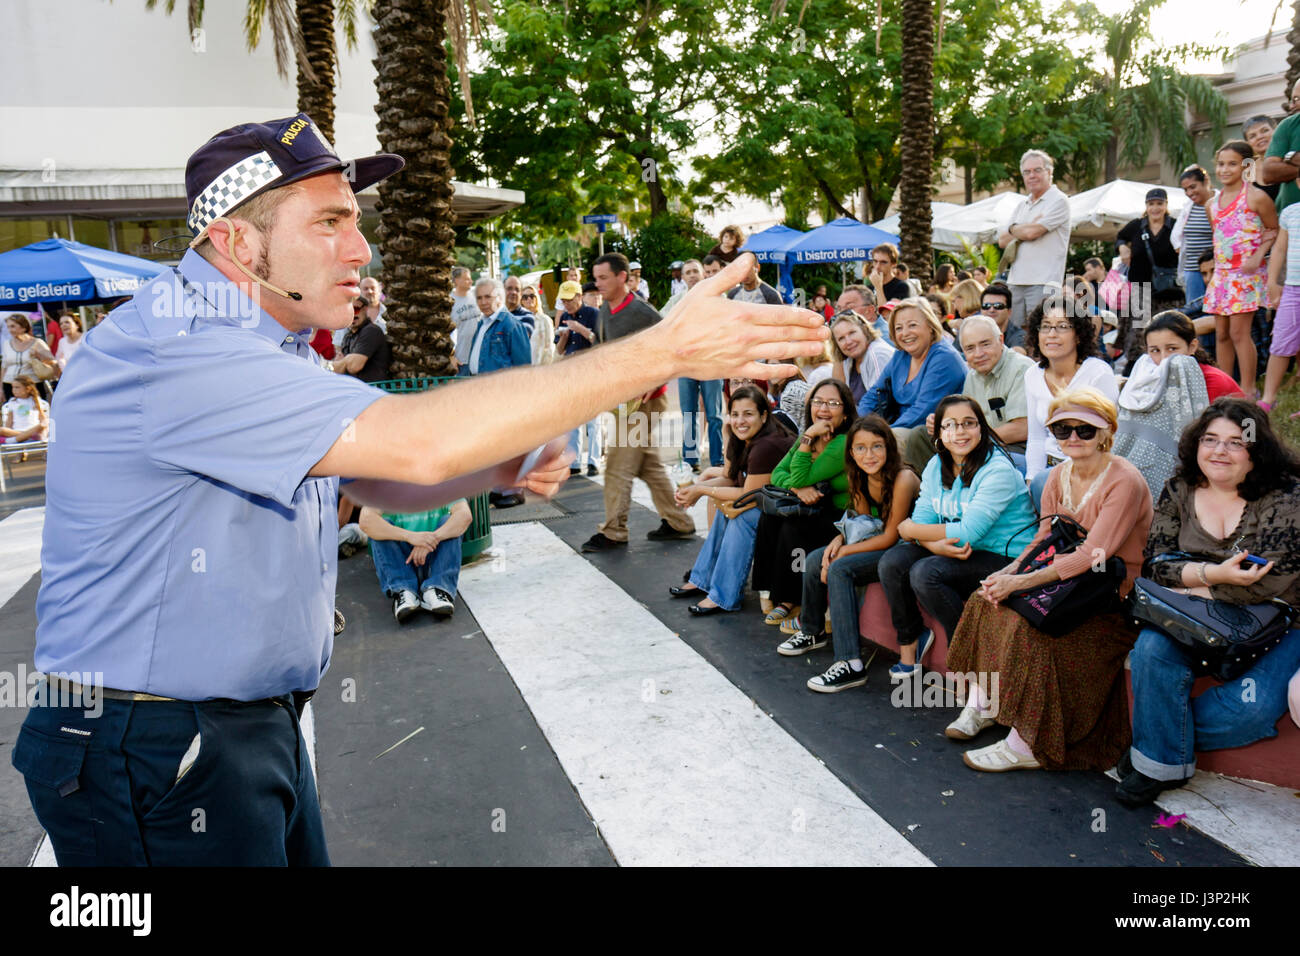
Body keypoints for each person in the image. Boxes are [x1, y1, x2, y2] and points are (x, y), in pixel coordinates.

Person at [12, 112, 831, 867]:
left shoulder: (259, 339)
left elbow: (365, 474)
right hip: (154, 738)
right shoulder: (182, 350)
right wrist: (663, 350)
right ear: (238, 243)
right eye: (330, 222)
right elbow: (417, 439)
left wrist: (498, 467)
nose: (360, 248)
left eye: (355, 220)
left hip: (228, 725)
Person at [946, 389, 1153, 772]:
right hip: (1064, 582)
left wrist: (1021, 583)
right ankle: (986, 702)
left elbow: (1094, 554)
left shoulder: (1124, 480)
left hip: (1107, 594)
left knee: (1034, 633)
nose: (1072, 437)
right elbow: (1043, 538)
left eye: (1084, 430)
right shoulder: (1057, 475)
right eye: (1062, 429)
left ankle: (1024, 745)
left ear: (1107, 432)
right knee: (983, 599)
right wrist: (1006, 574)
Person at [1118, 398, 1300, 806]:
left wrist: (1191, 582)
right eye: (1211, 439)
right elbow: (1155, 565)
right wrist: (1213, 576)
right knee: (1151, 649)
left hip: (1280, 619)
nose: (1220, 451)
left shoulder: (1286, 497)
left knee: (1248, 711)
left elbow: (1269, 583)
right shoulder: (1180, 487)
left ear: (1258, 451)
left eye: (1236, 442)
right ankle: (1158, 765)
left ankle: (1154, 745)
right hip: (1196, 613)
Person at [879, 396, 1038, 680]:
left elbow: (968, 532)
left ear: (982, 428)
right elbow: (925, 519)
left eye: (969, 423)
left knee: (926, 573)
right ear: (939, 434)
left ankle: (965, 656)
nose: (960, 432)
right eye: (949, 425)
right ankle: (911, 642)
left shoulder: (997, 469)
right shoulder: (934, 467)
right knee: (893, 562)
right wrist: (931, 542)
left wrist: (911, 532)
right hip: (960, 547)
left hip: (1005, 554)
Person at [777, 416, 921, 692]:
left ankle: (850, 663)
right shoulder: (859, 476)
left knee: (838, 568)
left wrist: (842, 552)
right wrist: (838, 540)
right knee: (814, 558)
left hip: (906, 548)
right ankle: (811, 630)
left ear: (889, 448)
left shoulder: (903, 478)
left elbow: (892, 536)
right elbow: (863, 524)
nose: (869, 455)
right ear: (851, 453)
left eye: (877, 446)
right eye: (860, 448)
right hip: (880, 540)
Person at [581, 253, 698, 552]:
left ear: (623, 277)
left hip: (644, 404)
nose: (598, 283)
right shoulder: (606, 310)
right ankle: (678, 522)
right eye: (596, 278)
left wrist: (655, 382)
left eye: (604, 277)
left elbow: (673, 349)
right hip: (624, 404)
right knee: (648, 466)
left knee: (618, 466)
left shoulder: (642, 312)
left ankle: (613, 531)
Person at [670, 385, 794, 614]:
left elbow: (747, 494)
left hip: (790, 512)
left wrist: (702, 491)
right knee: (727, 508)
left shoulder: (767, 444)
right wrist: (696, 488)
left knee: (742, 514)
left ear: (763, 415)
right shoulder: (742, 436)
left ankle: (724, 596)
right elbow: (729, 477)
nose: (740, 421)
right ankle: (703, 579)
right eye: (735, 414)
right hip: (767, 504)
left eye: (748, 414)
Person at [750, 379, 856, 625]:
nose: (823, 409)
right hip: (814, 505)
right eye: (818, 402)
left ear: (846, 412)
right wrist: (799, 488)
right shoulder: (811, 436)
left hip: (841, 514)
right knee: (769, 518)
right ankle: (768, 590)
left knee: (794, 527)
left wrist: (807, 438)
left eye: (832, 403)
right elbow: (777, 474)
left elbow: (798, 474)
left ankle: (792, 598)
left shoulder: (842, 442)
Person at [910, 315, 1035, 471]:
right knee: (919, 436)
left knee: (979, 458)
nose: (978, 353)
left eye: (985, 344)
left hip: (1013, 447)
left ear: (1001, 340)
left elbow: (1022, 428)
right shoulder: (973, 375)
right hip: (980, 443)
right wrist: (943, 421)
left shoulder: (1021, 368)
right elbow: (966, 418)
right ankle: (938, 489)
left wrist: (971, 440)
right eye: (970, 348)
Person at [855, 298, 967, 465]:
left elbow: (922, 411)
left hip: (932, 433)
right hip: (899, 426)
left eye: (912, 325)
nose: (905, 333)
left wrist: (879, 435)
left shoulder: (944, 358)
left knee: (885, 443)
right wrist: (860, 426)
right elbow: (873, 394)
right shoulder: (901, 356)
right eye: (898, 328)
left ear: (930, 325)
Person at [1206, 140, 1277, 398]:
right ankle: (1227, 387)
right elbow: (1219, 237)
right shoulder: (1212, 204)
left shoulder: (1256, 197)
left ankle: (1248, 388)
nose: (1225, 169)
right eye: (1221, 164)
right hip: (1222, 276)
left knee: (1239, 333)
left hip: (1246, 276)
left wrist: (1258, 255)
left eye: (1232, 164)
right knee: (1222, 334)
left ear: (1246, 166)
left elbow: (1274, 229)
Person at [1024, 297, 1119, 482]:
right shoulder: (1032, 375)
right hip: (1048, 469)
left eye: (1062, 326)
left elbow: (1109, 437)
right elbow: (1036, 437)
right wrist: (1031, 480)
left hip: (1091, 470)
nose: (1052, 334)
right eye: (1045, 326)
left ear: (1078, 335)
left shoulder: (1098, 373)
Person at [359, 499, 471, 622]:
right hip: (402, 561)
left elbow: (464, 515)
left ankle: (438, 588)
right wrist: (411, 537)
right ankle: (404, 590)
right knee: (379, 527)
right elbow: (366, 521)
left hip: (434, 559)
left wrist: (431, 540)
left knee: (450, 521)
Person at [998, 149, 1072, 329]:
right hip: (1015, 282)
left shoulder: (1059, 200)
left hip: (1044, 282)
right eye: (1027, 172)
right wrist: (1024, 226)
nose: (1032, 175)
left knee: (1041, 333)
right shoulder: (1022, 204)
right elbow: (1002, 240)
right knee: (1016, 335)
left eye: (1037, 170)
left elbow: (1032, 233)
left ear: (1049, 172)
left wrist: (1015, 228)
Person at [554, 280, 603, 476]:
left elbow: (599, 341)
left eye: (570, 300)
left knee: (593, 420)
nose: (566, 304)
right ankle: (574, 462)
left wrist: (579, 328)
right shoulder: (564, 316)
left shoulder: (593, 314)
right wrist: (564, 336)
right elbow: (559, 349)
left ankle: (594, 461)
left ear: (579, 297)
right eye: (564, 300)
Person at [1143, 310, 1242, 402]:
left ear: (1192, 347)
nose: (1164, 358)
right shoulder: (1148, 379)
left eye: (1172, 349)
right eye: (1155, 350)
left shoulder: (1212, 382)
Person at [1116, 187, 1182, 320]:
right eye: (1151, 204)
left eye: (1159, 203)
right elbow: (1120, 237)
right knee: (1139, 328)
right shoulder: (1136, 225)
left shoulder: (1175, 225)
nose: (1155, 208)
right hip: (1139, 287)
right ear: (1146, 206)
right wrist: (1122, 247)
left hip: (1168, 288)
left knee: (1167, 326)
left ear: (1166, 205)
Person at [1263, 187, 1300, 411]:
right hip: (1292, 288)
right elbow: (1278, 250)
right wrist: (1272, 281)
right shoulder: (1290, 213)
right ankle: (1268, 399)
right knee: (1280, 343)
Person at [1172, 165, 1217, 322]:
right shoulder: (1188, 208)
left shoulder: (1218, 203)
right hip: (1192, 269)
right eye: (1186, 190)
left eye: (1193, 187)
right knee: (1195, 315)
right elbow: (1176, 236)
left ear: (1205, 181)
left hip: (1214, 269)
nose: (1190, 193)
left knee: (1216, 312)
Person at [829, 311, 895, 408]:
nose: (848, 341)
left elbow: (881, 404)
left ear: (864, 329)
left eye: (852, 333)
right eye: (841, 339)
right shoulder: (850, 360)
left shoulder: (877, 354)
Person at [1260, 80, 1300, 215]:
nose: (1292, 105)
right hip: (1290, 223)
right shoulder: (1288, 126)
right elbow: (1269, 172)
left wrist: (1290, 162)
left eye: (1297, 99)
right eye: (1293, 99)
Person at [334, 295, 392, 384]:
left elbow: (354, 367)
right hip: (356, 390)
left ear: (365, 309)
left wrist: (345, 361)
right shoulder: (348, 336)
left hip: (374, 391)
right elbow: (336, 370)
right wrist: (347, 362)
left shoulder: (371, 331)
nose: (352, 314)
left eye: (355, 309)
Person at [1, 314, 57, 400]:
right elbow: (4, 367)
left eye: (13, 326)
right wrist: (1, 388)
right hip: (10, 385)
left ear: (23, 327)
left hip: (32, 385)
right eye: (8, 327)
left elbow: (53, 362)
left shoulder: (37, 343)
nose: (10, 330)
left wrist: (39, 356)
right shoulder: (6, 344)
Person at [977, 282, 1026, 354]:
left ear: (1009, 311)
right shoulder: (970, 330)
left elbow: (1018, 354)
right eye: (986, 306)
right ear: (981, 310)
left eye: (998, 306)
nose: (991, 310)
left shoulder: (1018, 335)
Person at [0, 375, 48, 443]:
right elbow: (9, 421)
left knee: (43, 424)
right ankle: (25, 437)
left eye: (17, 387)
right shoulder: (12, 402)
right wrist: (7, 432)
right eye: (13, 387)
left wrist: (44, 427)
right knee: (1, 430)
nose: (14, 390)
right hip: (16, 432)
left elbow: (42, 418)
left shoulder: (35, 400)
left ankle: (14, 440)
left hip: (32, 430)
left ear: (27, 388)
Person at [1243, 114, 1280, 202]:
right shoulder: (1248, 171)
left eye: (1264, 130)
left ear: (1276, 131)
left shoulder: (1291, 159)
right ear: (1248, 143)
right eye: (1252, 136)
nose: (1259, 137)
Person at [449, 265, 480, 365]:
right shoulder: (450, 301)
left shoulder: (477, 297)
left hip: (479, 357)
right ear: (457, 281)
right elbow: (445, 333)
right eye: (467, 279)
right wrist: (451, 356)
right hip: (461, 360)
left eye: (470, 279)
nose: (471, 281)